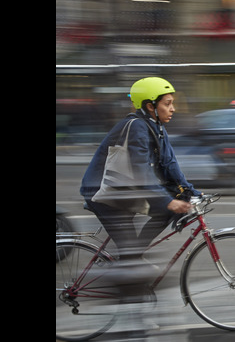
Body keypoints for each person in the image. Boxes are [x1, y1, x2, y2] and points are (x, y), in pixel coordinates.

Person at [81, 77, 199, 269]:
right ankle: (129, 269)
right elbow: (141, 171)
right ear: (150, 106)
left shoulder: (157, 127)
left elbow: (170, 164)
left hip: (124, 192)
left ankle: (133, 260)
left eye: (172, 104)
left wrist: (191, 191)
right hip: (104, 195)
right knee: (130, 253)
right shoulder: (136, 127)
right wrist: (168, 200)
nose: (173, 109)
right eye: (167, 104)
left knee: (165, 212)